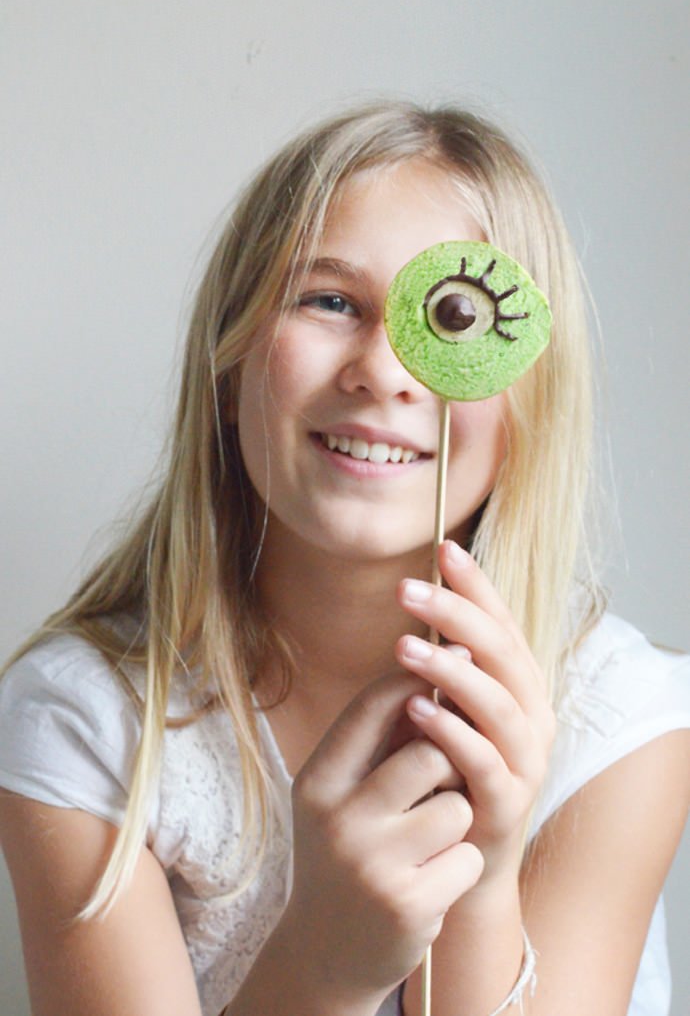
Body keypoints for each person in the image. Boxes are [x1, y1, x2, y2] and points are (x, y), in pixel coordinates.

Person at [1, 101, 689, 1016]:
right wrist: (327, 961)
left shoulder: (621, 719)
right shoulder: (86, 724)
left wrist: (480, 887)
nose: (387, 370)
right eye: (331, 301)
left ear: (529, 406)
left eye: (456, 322)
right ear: (230, 367)